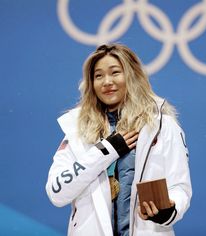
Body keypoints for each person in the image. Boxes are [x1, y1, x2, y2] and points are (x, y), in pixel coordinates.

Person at [46, 43, 192, 236]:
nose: (107, 81)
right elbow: (57, 191)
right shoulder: (77, 131)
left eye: (115, 72)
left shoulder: (162, 127)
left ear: (132, 76)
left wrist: (170, 210)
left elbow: (180, 187)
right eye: (98, 76)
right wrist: (106, 150)